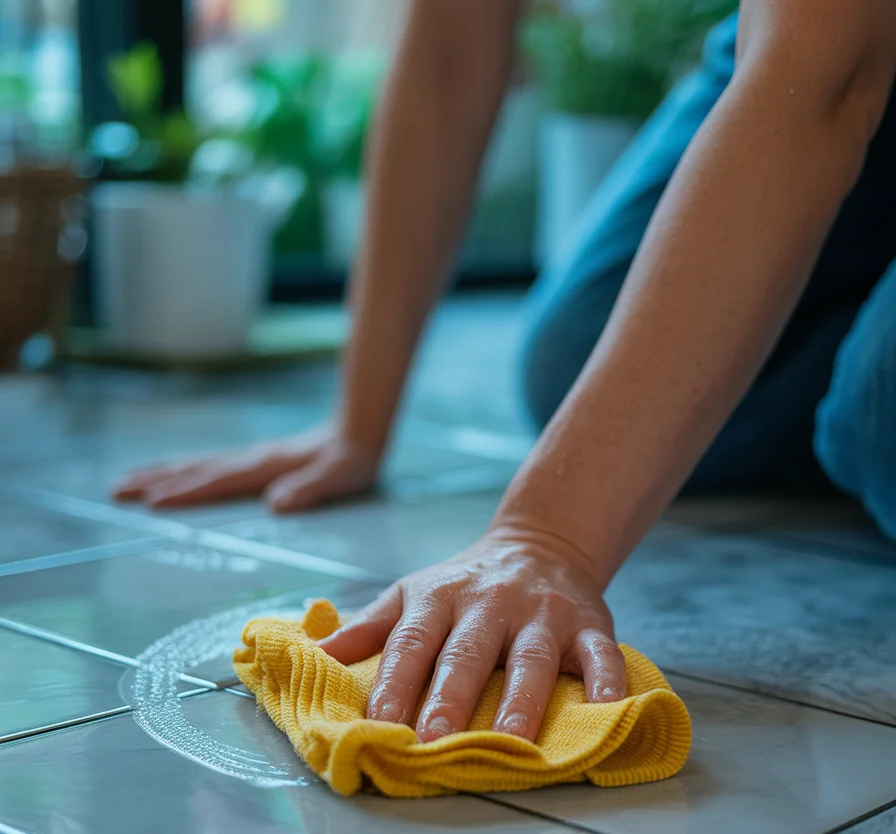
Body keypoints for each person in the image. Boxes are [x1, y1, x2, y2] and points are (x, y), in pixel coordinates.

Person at [115, 0, 896, 745]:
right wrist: (359, 424)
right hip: (800, 40)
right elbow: (455, 44)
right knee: (577, 366)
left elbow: (832, 64)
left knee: (879, 414)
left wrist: (546, 537)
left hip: (830, 39)